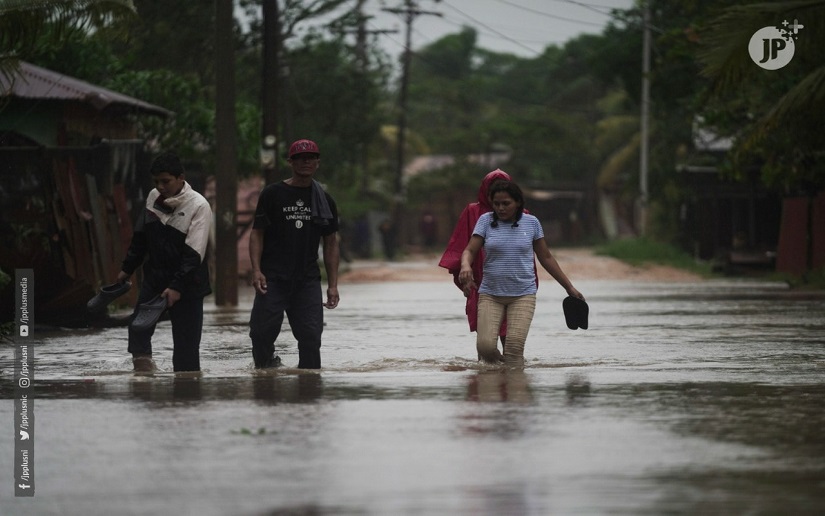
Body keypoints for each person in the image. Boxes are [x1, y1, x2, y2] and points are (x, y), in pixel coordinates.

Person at [459, 180, 584, 367]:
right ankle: (496, 384)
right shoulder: (485, 221)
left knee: (514, 349)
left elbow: (546, 258)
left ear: (518, 202)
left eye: (506, 203)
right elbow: (469, 250)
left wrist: (569, 287)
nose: (500, 208)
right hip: (490, 295)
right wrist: (465, 266)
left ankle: (515, 389)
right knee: (485, 348)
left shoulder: (532, 223)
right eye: (496, 204)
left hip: (523, 295)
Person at [248, 139, 340, 369]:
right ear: (291, 162)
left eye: (310, 157)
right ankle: (266, 373)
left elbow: (330, 243)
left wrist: (333, 285)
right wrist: (257, 270)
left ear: (317, 162)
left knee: (310, 337)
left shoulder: (325, 200)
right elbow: (257, 234)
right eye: (300, 158)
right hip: (273, 277)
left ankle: (308, 388)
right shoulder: (272, 194)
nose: (305, 162)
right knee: (261, 333)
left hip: (306, 279)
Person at [117, 151, 213, 372]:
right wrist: (127, 268)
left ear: (181, 178)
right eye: (157, 181)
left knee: (186, 349)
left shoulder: (198, 205)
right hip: (155, 278)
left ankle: (186, 393)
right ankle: (143, 379)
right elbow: (141, 238)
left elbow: (194, 254)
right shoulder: (153, 197)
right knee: (138, 329)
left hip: (188, 285)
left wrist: (177, 287)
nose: (160, 187)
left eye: (166, 181)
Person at [439, 169, 514, 359]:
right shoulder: (473, 212)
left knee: (511, 340)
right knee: (485, 341)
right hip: (481, 282)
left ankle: (509, 376)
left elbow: (532, 254)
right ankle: (488, 377)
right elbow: (462, 246)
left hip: (512, 284)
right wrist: (465, 278)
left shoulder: (521, 215)